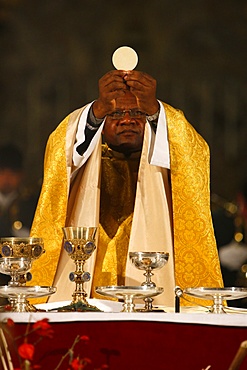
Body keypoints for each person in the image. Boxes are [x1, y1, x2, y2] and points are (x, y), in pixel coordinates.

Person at [30, 70, 223, 307]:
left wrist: (154, 109)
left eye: (138, 113)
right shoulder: (86, 159)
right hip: (90, 280)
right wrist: (96, 109)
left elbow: (195, 153)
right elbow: (60, 151)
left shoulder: (162, 159)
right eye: (116, 113)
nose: (127, 120)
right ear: (101, 122)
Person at [0, 143, 39, 304]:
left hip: (21, 276)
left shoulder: (31, 203)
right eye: (2, 173)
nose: (7, 179)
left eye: (12, 173)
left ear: (21, 175)